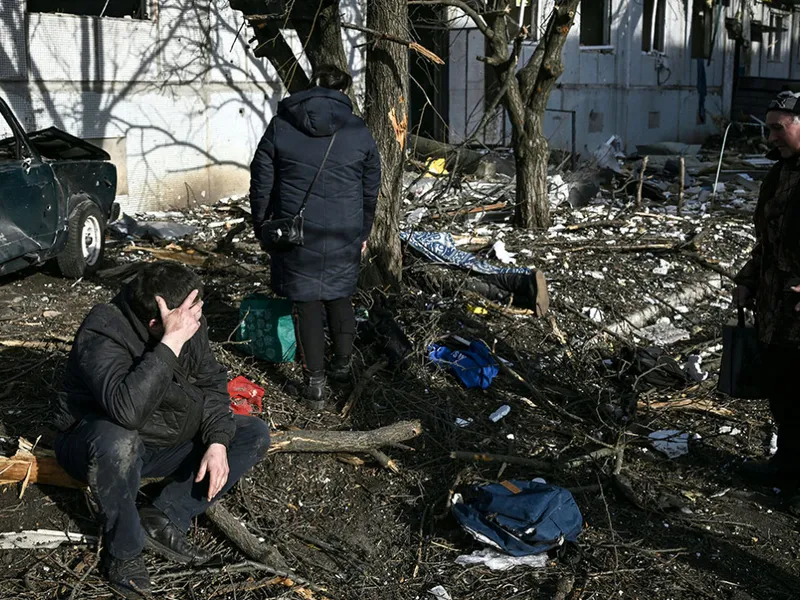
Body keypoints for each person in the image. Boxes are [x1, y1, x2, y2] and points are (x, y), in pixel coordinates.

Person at [52, 262, 271, 599]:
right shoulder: (104, 329)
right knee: (119, 442)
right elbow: (126, 411)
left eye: (197, 312)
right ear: (157, 321)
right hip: (96, 442)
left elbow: (212, 383)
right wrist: (170, 343)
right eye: (189, 317)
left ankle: (164, 515)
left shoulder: (188, 318)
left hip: (164, 436)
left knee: (251, 433)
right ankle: (123, 552)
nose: (196, 322)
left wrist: (216, 441)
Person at [249, 64, 381, 409]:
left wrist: (262, 224)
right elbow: (371, 189)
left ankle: (315, 387)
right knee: (340, 297)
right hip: (344, 231)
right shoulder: (357, 129)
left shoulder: (282, 124)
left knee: (306, 303)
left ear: (310, 87)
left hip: (296, 232)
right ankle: (342, 366)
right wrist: (363, 230)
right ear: (344, 91)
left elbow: (261, 179)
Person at [734, 91, 800, 508]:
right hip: (778, 313)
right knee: (785, 393)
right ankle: (787, 468)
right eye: (769, 128)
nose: (772, 136)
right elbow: (768, 242)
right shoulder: (781, 174)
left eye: (780, 127)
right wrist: (748, 281)